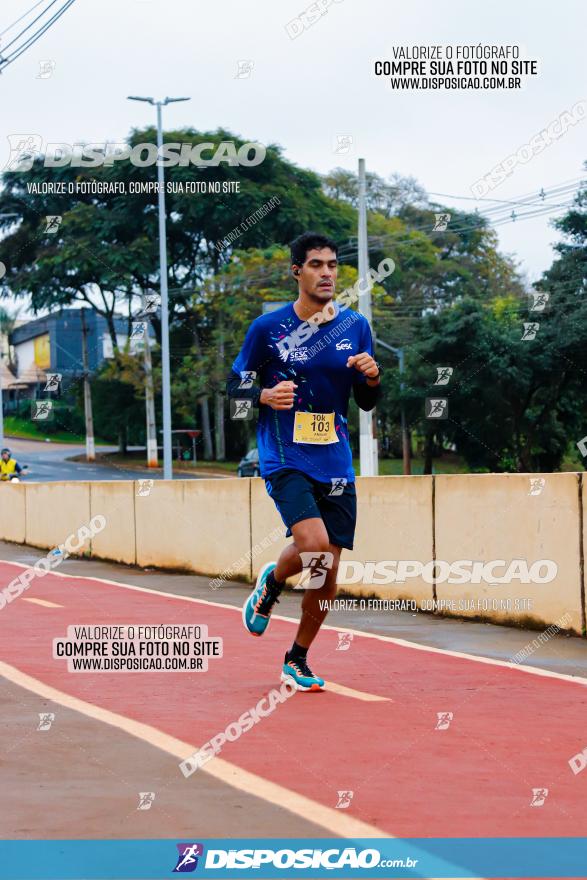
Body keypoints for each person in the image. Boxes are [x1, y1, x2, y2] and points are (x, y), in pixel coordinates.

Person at [226, 231, 381, 691]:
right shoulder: (267, 329)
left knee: (325, 572)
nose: (328, 273)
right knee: (312, 544)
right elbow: (234, 390)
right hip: (284, 455)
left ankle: (297, 656)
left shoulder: (354, 326)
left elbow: (368, 402)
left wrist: (372, 378)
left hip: (334, 458)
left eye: (333, 265)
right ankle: (272, 584)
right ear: (297, 271)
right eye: (317, 265)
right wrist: (263, 395)